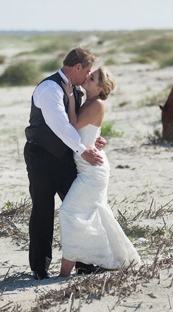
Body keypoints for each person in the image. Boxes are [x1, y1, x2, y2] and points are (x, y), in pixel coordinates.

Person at [24, 47, 106, 280]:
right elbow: (60, 125)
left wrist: (93, 138)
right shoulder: (49, 88)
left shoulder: (76, 90)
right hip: (40, 157)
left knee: (76, 208)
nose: (88, 75)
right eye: (87, 70)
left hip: (66, 158)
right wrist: (83, 149)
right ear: (77, 67)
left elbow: (77, 124)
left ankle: (84, 262)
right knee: (42, 208)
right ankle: (40, 267)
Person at [59, 66, 141, 277]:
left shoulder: (97, 104)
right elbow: (91, 130)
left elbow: (73, 125)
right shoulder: (87, 100)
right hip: (88, 166)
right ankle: (110, 258)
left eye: (92, 77)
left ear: (99, 87)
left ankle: (64, 273)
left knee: (69, 212)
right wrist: (99, 140)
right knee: (95, 214)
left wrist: (68, 97)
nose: (88, 77)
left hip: (92, 171)